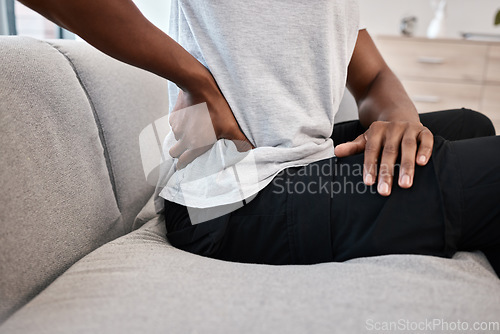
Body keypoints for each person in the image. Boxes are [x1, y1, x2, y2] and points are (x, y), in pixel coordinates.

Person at [19, 0, 499, 277]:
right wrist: (197, 80)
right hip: (233, 198)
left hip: (301, 161)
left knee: (470, 124)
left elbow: (372, 78)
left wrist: (396, 119)